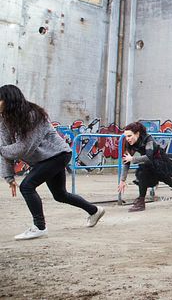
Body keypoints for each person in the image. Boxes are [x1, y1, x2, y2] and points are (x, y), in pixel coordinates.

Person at [0, 85, 105, 240]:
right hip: (43, 160)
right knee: (60, 195)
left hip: (58, 155)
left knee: (27, 186)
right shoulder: (4, 119)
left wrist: (1, 150)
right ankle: (94, 210)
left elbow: (23, 148)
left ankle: (39, 227)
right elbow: (5, 148)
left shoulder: (33, 115)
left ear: (9, 100)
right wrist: (9, 177)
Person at [118, 122, 172, 212]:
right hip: (147, 162)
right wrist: (122, 180)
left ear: (137, 134)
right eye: (126, 136)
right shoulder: (129, 144)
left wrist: (133, 159)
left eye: (129, 136)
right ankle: (141, 201)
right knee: (141, 175)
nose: (127, 139)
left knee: (166, 179)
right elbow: (126, 161)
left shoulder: (148, 139)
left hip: (160, 160)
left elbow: (149, 157)